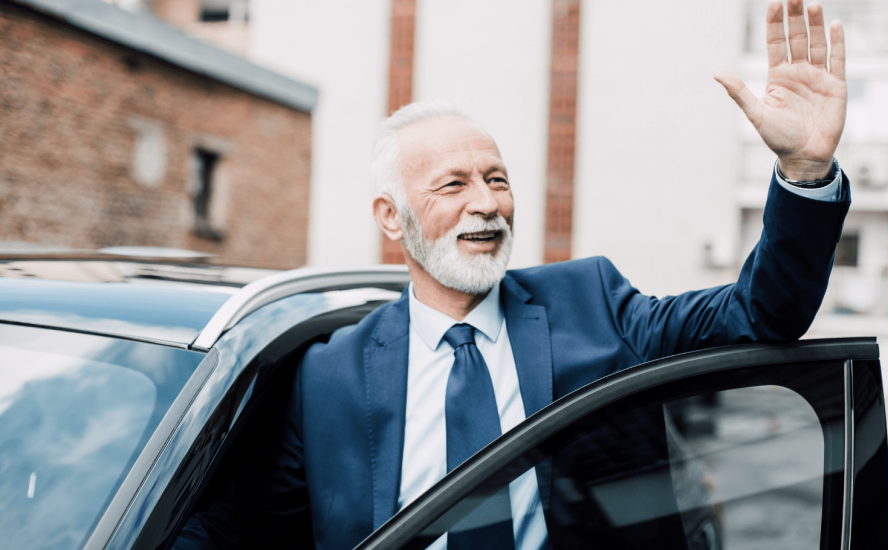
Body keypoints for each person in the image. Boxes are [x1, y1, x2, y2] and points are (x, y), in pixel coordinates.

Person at [176, 0, 850, 548]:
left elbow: (762, 315)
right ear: (392, 217)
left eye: (497, 179)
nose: (488, 203)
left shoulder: (593, 304)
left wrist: (807, 173)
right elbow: (240, 531)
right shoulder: (329, 375)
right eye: (454, 185)